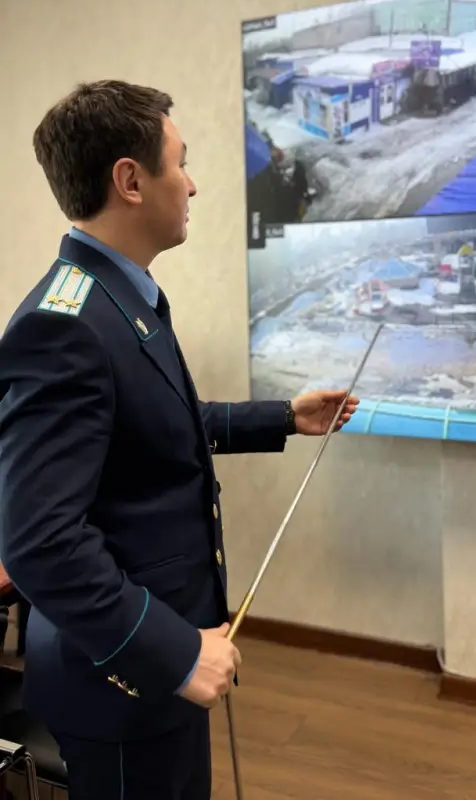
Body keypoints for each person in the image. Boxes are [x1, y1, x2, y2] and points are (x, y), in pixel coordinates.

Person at [0, 80, 358, 800]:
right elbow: (38, 541)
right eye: (181, 162)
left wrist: (282, 417)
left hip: (161, 662)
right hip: (123, 677)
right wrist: (174, 653)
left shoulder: (117, 296)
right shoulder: (65, 325)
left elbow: (156, 423)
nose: (192, 184)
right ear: (130, 181)